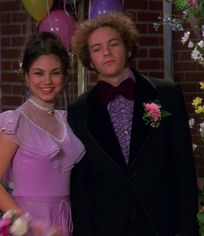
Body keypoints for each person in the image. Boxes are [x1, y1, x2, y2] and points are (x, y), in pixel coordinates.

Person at [67, 12, 199, 236]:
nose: (106, 53)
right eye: (96, 48)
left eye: (113, 44)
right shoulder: (78, 111)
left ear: (128, 48)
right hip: (107, 225)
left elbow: (183, 166)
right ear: (89, 59)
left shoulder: (166, 94)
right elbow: (81, 185)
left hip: (161, 222)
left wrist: (187, 229)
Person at [0, 31, 85, 236]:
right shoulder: (17, 122)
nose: (47, 81)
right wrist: (32, 225)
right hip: (30, 224)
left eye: (55, 72)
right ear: (27, 76)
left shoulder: (67, 120)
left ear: (65, 77)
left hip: (63, 222)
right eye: (39, 73)